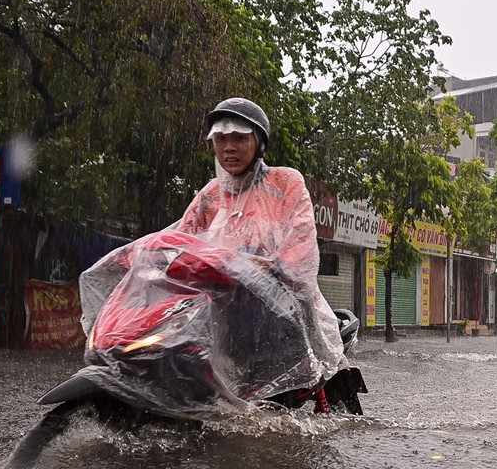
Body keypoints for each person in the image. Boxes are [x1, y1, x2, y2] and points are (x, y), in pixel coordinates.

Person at [79, 97, 346, 400]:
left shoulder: (285, 181)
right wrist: (140, 253)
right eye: (221, 139)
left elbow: (302, 240)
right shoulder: (210, 194)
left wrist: (274, 266)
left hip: (277, 302)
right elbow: (180, 236)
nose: (229, 147)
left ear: (259, 143)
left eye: (239, 139)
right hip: (219, 300)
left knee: (272, 398)